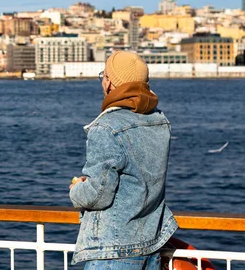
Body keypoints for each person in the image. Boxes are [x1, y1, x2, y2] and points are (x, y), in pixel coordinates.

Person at [69, 50, 177, 270]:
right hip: (151, 243)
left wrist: (76, 189)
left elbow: (98, 195)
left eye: (104, 76)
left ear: (110, 84)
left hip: (116, 250)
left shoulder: (106, 127)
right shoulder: (159, 121)